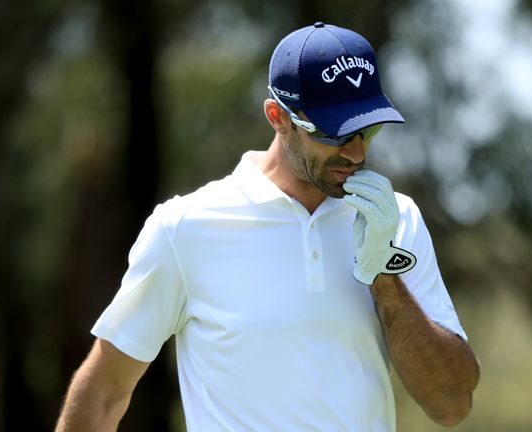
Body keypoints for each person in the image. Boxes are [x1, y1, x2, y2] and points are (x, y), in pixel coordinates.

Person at [55, 22, 480, 431]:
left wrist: (383, 273)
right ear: (278, 116)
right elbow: (105, 393)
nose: (355, 152)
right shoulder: (185, 227)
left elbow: (451, 404)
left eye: (368, 129)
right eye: (335, 133)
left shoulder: (396, 219)